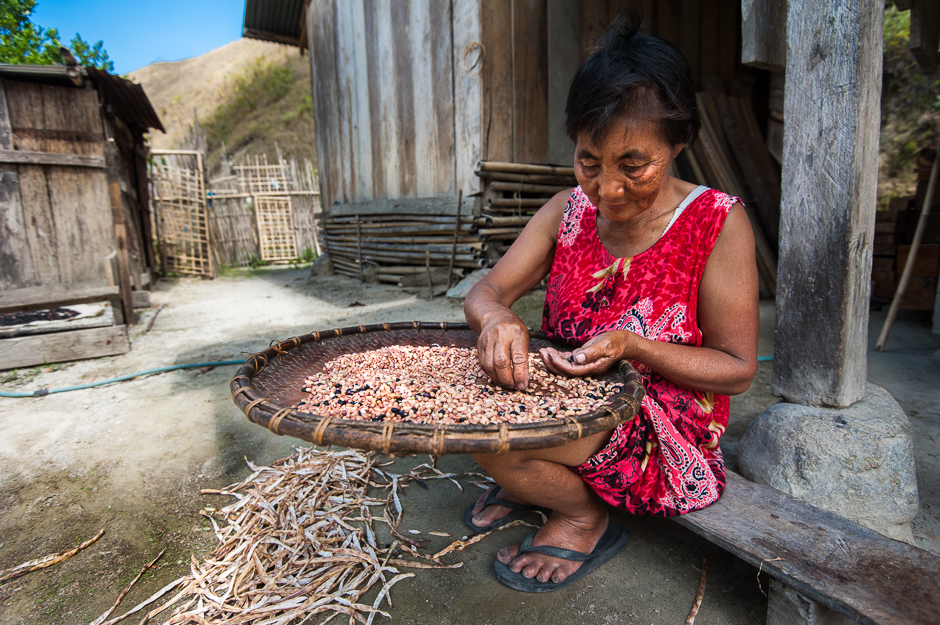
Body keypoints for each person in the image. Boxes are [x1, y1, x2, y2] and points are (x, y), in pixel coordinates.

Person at [463, 11, 759, 593]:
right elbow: (487, 290)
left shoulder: (716, 223)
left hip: (659, 419)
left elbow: (737, 370)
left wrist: (634, 346)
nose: (608, 189)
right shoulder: (567, 211)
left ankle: (580, 515)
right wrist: (497, 318)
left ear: (679, 143)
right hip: (565, 389)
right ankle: (538, 472)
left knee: (494, 443)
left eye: (634, 166)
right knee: (462, 407)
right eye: (589, 162)